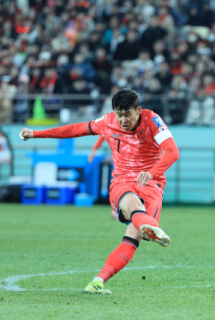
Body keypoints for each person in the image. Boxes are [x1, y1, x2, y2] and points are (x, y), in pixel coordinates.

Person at [19, 89, 180, 294]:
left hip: (152, 184)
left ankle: (97, 281)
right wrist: (36, 134)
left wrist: (151, 173)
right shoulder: (107, 121)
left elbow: (173, 151)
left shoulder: (153, 120)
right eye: (119, 114)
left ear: (138, 110)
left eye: (127, 114)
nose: (122, 120)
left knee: (134, 236)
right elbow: (74, 130)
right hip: (122, 182)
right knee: (133, 206)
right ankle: (150, 227)